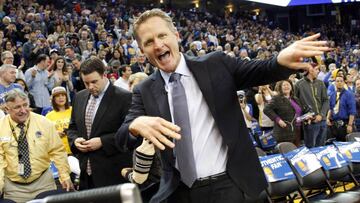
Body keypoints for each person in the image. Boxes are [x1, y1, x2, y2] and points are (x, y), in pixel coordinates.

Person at [115, 9, 331, 203]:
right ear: (142, 50)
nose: (158, 44)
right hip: (179, 193)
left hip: (230, 186)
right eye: (149, 41)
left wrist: (279, 61)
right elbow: (122, 137)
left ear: (177, 36)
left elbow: (261, 70)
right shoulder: (143, 91)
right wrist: (136, 124)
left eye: (162, 35)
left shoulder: (216, 64)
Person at [67, 57, 132, 190]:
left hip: (113, 174)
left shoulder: (124, 98)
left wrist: (103, 141)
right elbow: (72, 128)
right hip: (86, 174)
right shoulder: (79, 97)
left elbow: (130, 134)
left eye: (94, 82)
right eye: (86, 83)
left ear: (104, 75)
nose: (90, 86)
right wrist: (75, 141)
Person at [0, 89, 73, 203]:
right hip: (14, 189)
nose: (23, 110)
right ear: (7, 109)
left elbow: (57, 151)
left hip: (43, 183)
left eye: (25, 105)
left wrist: (64, 176)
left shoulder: (44, 122)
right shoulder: (1, 127)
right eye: (17, 107)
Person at [295, 63, 329, 148]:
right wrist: (306, 116)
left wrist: (321, 115)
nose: (318, 71)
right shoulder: (299, 85)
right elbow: (296, 104)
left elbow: (326, 100)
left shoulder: (321, 83)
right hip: (310, 122)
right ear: (310, 70)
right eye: (317, 69)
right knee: (310, 148)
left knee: (321, 148)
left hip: (323, 120)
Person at [264, 80, 306, 146]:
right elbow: (266, 109)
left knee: (296, 153)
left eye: (288, 84)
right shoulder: (277, 98)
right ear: (280, 87)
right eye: (284, 85)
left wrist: (306, 117)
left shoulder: (295, 99)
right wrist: (278, 120)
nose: (286, 86)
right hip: (283, 132)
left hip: (297, 130)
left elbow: (299, 113)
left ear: (291, 87)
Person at [327, 75, 356, 141]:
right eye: (337, 81)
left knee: (346, 145)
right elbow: (331, 108)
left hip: (345, 124)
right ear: (334, 83)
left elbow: (352, 111)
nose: (339, 82)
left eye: (341, 81)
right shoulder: (332, 95)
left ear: (344, 83)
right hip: (334, 125)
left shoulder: (349, 94)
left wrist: (350, 125)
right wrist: (327, 118)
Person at [45, 87, 72, 155]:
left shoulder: (74, 110)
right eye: (57, 96)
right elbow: (46, 135)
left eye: (63, 95)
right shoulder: (48, 116)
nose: (61, 98)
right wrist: (55, 134)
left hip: (74, 149)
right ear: (53, 99)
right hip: (58, 152)